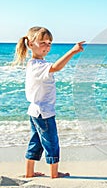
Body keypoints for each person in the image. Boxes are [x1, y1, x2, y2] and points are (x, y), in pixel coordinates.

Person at [14, 26, 85, 178]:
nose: (47, 46)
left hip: (35, 111)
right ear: (31, 44)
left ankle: (29, 172)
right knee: (51, 142)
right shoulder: (39, 66)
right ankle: (54, 174)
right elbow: (56, 67)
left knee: (36, 142)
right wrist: (72, 51)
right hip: (43, 112)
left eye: (49, 43)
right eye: (43, 42)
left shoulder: (35, 64)